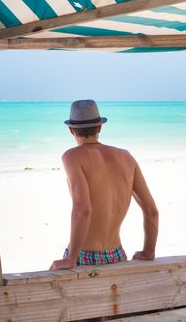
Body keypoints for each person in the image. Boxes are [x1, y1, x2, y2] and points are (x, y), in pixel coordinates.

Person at [50, 100, 159, 270]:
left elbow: (83, 209)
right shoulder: (126, 157)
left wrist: (71, 259)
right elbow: (152, 211)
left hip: (84, 255)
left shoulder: (72, 157)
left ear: (71, 130)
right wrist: (148, 251)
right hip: (117, 255)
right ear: (100, 127)